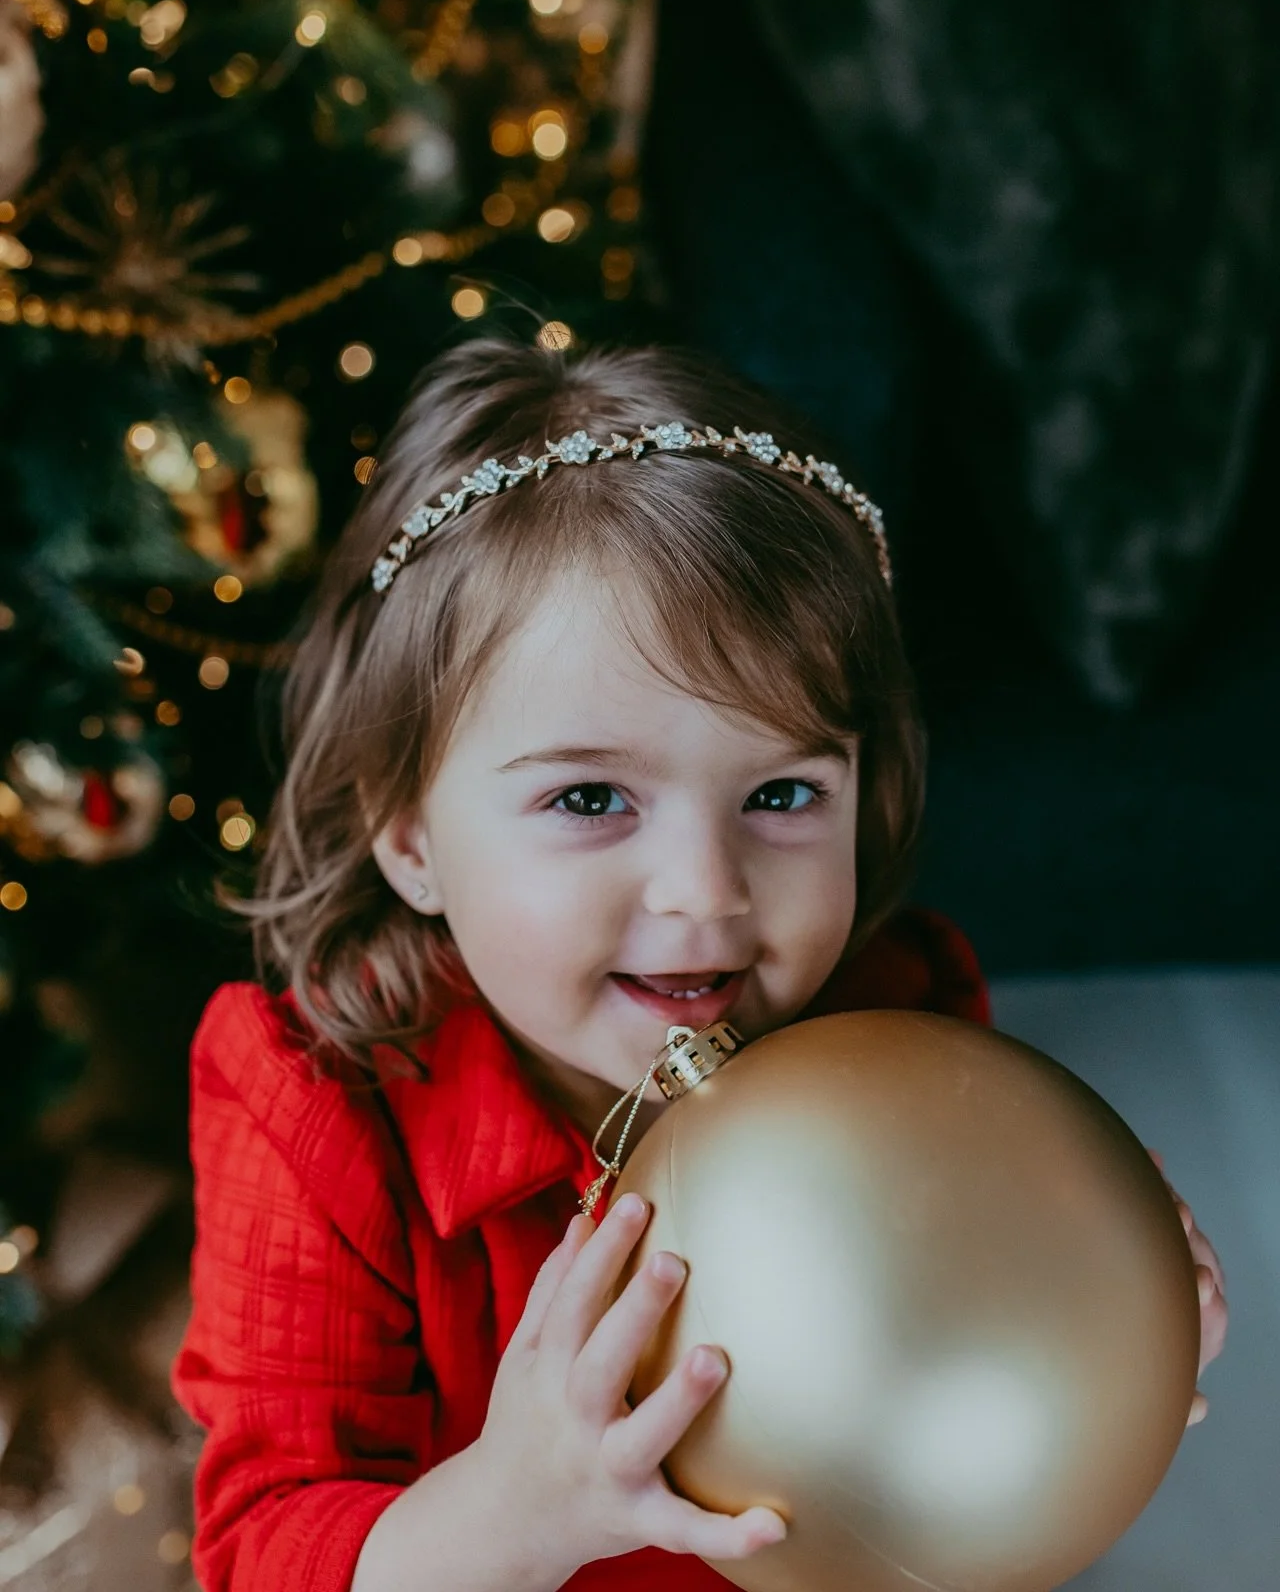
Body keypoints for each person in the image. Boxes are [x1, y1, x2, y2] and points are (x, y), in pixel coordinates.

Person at [170, 335, 1228, 1592]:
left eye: (780, 792)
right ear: (409, 836)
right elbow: (261, 1546)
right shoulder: (310, 1102)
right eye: (588, 799)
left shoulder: (897, 1027)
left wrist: (1101, 1326)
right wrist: (515, 1512)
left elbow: (956, 1384)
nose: (704, 889)